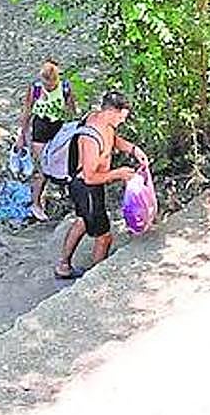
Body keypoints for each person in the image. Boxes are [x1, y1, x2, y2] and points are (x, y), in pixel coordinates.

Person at [55, 91, 148, 280]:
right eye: (121, 117)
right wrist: (119, 173)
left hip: (88, 185)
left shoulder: (102, 120)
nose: (122, 122)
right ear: (112, 111)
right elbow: (89, 177)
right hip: (85, 187)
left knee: (82, 220)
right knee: (104, 237)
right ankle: (96, 279)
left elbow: (112, 139)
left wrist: (133, 149)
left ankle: (63, 266)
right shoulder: (90, 137)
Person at [17, 59, 77, 221]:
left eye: (52, 84)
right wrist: (21, 136)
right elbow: (27, 112)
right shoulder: (35, 89)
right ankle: (36, 203)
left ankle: (68, 194)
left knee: (65, 162)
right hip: (41, 127)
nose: (50, 87)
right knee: (43, 169)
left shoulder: (65, 87)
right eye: (47, 84)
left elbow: (72, 111)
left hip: (58, 126)